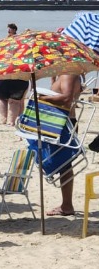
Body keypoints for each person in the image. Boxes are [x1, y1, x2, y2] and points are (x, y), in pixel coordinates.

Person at [41, 73, 82, 216]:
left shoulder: (68, 74)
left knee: (64, 164)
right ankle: (66, 204)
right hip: (65, 121)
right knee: (65, 164)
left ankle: (67, 205)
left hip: (63, 123)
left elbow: (66, 98)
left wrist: (41, 98)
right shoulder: (69, 74)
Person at [0, 24, 29, 124]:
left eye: (10, 29)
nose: (8, 31)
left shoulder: (3, 44)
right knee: (13, 100)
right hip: (17, 75)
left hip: (5, 73)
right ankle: (9, 121)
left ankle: (7, 120)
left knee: (4, 98)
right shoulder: (22, 44)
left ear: (14, 30)